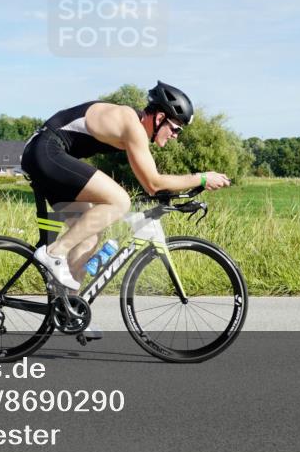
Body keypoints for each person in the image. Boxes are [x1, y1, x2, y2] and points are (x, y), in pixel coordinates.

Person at [20, 81, 232, 307]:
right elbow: (153, 182)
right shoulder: (132, 125)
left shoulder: (135, 130)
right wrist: (201, 177)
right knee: (119, 201)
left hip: (46, 157)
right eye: (175, 128)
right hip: (46, 151)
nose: (176, 136)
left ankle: (69, 308)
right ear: (160, 118)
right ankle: (54, 253)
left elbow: (149, 182)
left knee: (89, 237)